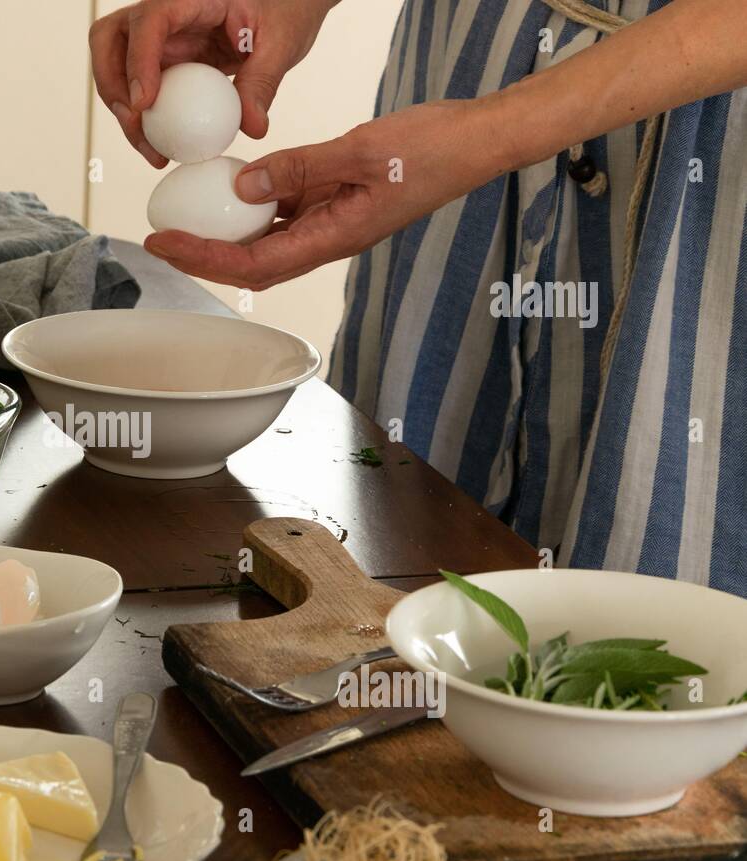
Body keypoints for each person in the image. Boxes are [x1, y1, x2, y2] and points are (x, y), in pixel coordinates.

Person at [91, 0, 747, 594]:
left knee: (645, 668)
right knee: (394, 592)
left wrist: (491, 134)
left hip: (698, 155)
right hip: (464, 83)